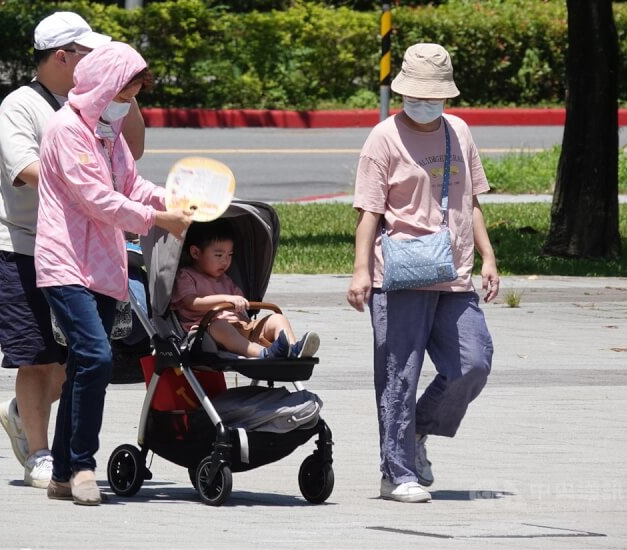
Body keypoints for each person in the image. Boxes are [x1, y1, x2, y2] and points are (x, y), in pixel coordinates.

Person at [0, 11, 148, 490]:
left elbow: (133, 154)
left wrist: (123, 92)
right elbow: (29, 169)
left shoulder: (99, 107)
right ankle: (40, 454)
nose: (97, 61)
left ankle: (28, 418)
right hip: (25, 243)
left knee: (72, 363)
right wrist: (90, 193)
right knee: (37, 355)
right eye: (89, 54)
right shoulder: (21, 106)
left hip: (89, 249)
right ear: (63, 57)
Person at [34, 41, 192, 506]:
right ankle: (83, 466)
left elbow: (130, 185)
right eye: (127, 90)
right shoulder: (66, 129)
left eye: (137, 92)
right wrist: (157, 220)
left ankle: (63, 474)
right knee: (98, 358)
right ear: (104, 85)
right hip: (64, 263)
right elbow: (95, 199)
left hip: (103, 266)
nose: (130, 100)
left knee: (84, 365)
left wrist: (171, 199)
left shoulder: (110, 131)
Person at [346, 43, 499, 504]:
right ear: (402, 92)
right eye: (416, 94)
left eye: (433, 95)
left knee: (473, 363)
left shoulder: (459, 132)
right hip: (398, 274)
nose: (424, 102)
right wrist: (359, 273)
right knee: (399, 375)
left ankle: (415, 434)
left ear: (446, 96)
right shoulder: (383, 138)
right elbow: (368, 213)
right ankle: (396, 473)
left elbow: (470, 200)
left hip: (454, 272)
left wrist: (489, 257)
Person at [171, 219, 320, 359]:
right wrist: (226, 299)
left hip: (241, 326)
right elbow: (192, 302)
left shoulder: (225, 279)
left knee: (277, 318)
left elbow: (242, 304)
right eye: (219, 255)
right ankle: (263, 353)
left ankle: (292, 350)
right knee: (221, 327)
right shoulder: (186, 276)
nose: (226, 261)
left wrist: (241, 304)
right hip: (208, 331)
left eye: (230, 255)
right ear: (196, 253)